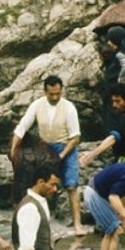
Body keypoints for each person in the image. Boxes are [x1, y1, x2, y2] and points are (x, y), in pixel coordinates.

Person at [9, 76, 83, 235]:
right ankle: (42, 222)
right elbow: (22, 128)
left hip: (66, 146)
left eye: (58, 93)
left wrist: (62, 155)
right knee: (42, 185)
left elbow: (75, 137)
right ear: (45, 91)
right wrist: (14, 150)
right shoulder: (37, 105)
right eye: (51, 94)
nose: (55, 97)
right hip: (46, 148)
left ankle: (77, 223)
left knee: (71, 185)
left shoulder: (69, 107)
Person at [10, 166, 61, 250]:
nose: (55, 189)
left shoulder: (41, 201)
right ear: (40, 182)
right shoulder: (30, 208)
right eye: (52, 184)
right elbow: (26, 247)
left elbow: (42, 234)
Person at [79, 83, 125, 165]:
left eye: (118, 101)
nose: (114, 105)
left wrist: (91, 155)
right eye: (113, 101)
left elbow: (113, 138)